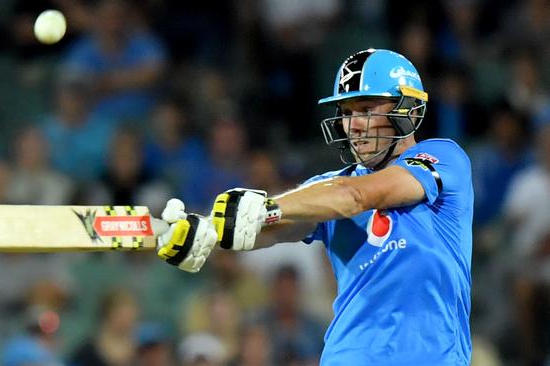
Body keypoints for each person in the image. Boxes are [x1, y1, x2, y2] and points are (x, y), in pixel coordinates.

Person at [155, 49, 474, 365]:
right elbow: (269, 230)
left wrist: (267, 207)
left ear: (407, 110)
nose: (354, 126)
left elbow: (355, 197)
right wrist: (208, 232)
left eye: (365, 109)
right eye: (347, 113)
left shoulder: (444, 159)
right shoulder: (327, 188)